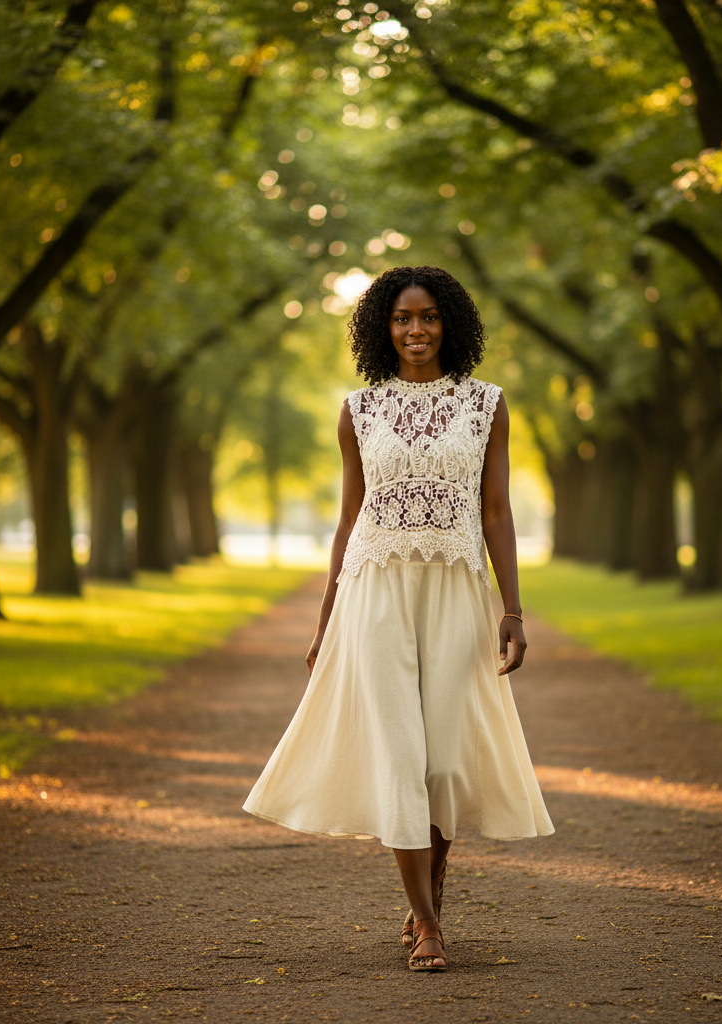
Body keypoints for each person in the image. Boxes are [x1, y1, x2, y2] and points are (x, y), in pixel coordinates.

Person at [243, 265, 553, 972]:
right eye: (403, 319)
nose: (416, 331)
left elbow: (496, 512)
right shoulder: (359, 410)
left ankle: (431, 884)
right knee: (400, 756)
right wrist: (326, 621)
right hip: (376, 592)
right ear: (384, 328)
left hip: (457, 590)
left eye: (430, 318)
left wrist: (512, 609)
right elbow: (349, 519)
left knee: (443, 760)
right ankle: (428, 922)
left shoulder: (486, 405)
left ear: (451, 325)